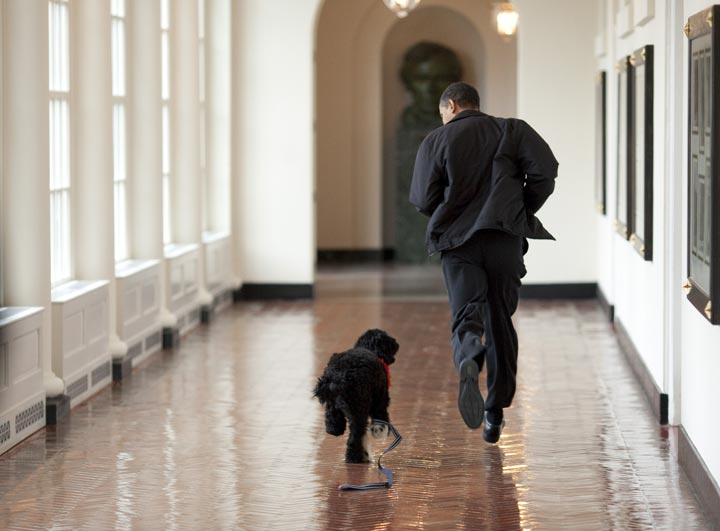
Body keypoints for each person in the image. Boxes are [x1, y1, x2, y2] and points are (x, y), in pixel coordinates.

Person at [409, 82, 558, 443]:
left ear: (452, 106)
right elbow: (545, 172)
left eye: (442, 112)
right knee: (500, 320)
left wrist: (449, 211)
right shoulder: (512, 129)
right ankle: (494, 411)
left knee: (466, 313)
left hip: (459, 243)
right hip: (503, 238)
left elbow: (421, 197)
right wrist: (517, 208)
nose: (442, 118)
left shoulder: (436, 140)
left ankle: (469, 356)